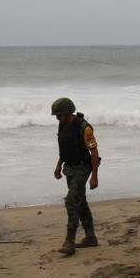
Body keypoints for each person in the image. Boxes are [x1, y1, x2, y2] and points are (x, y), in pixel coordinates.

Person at [51, 97, 100, 256]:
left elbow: (94, 152)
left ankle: (69, 241)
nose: (57, 118)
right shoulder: (62, 125)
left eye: (59, 115)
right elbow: (64, 148)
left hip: (83, 167)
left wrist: (94, 176)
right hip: (69, 168)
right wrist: (59, 165)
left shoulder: (84, 128)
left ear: (68, 113)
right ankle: (91, 237)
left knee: (71, 201)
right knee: (80, 201)